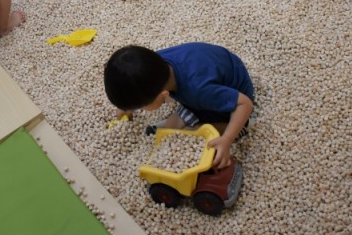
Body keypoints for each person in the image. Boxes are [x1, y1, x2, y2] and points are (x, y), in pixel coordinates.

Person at [104, 42, 254, 168]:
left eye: (139, 107)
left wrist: (227, 139)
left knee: (189, 133)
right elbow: (134, 81)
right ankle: (183, 119)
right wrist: (126, 104)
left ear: (164, 95)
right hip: (219, 65)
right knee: (173, 125)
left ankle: (239, 128)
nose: (138, 109)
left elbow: (244, 104)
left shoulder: (198, 90)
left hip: (236, 93)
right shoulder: (154, 63)